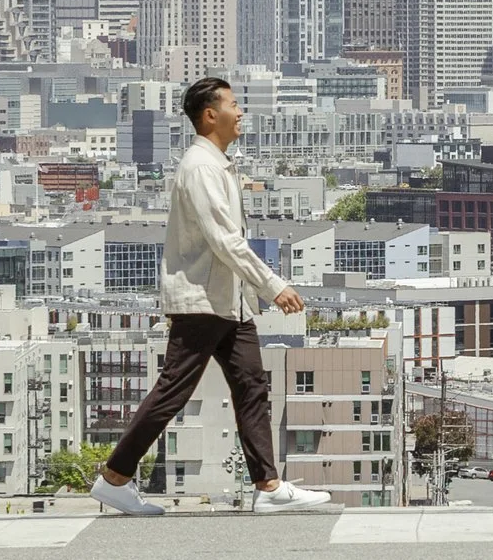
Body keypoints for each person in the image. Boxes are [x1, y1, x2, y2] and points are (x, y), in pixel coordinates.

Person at [90, 76, 332, 516]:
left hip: (228, 302)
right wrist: (273, 286)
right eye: (234, 105)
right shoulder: (200, 167)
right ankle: (114, 477)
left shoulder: (216, 164)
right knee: (174, 391)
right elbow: (225, 241)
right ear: (209, 115)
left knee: (251, 385)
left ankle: (269, 485)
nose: (241, 113)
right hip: (202, 300)